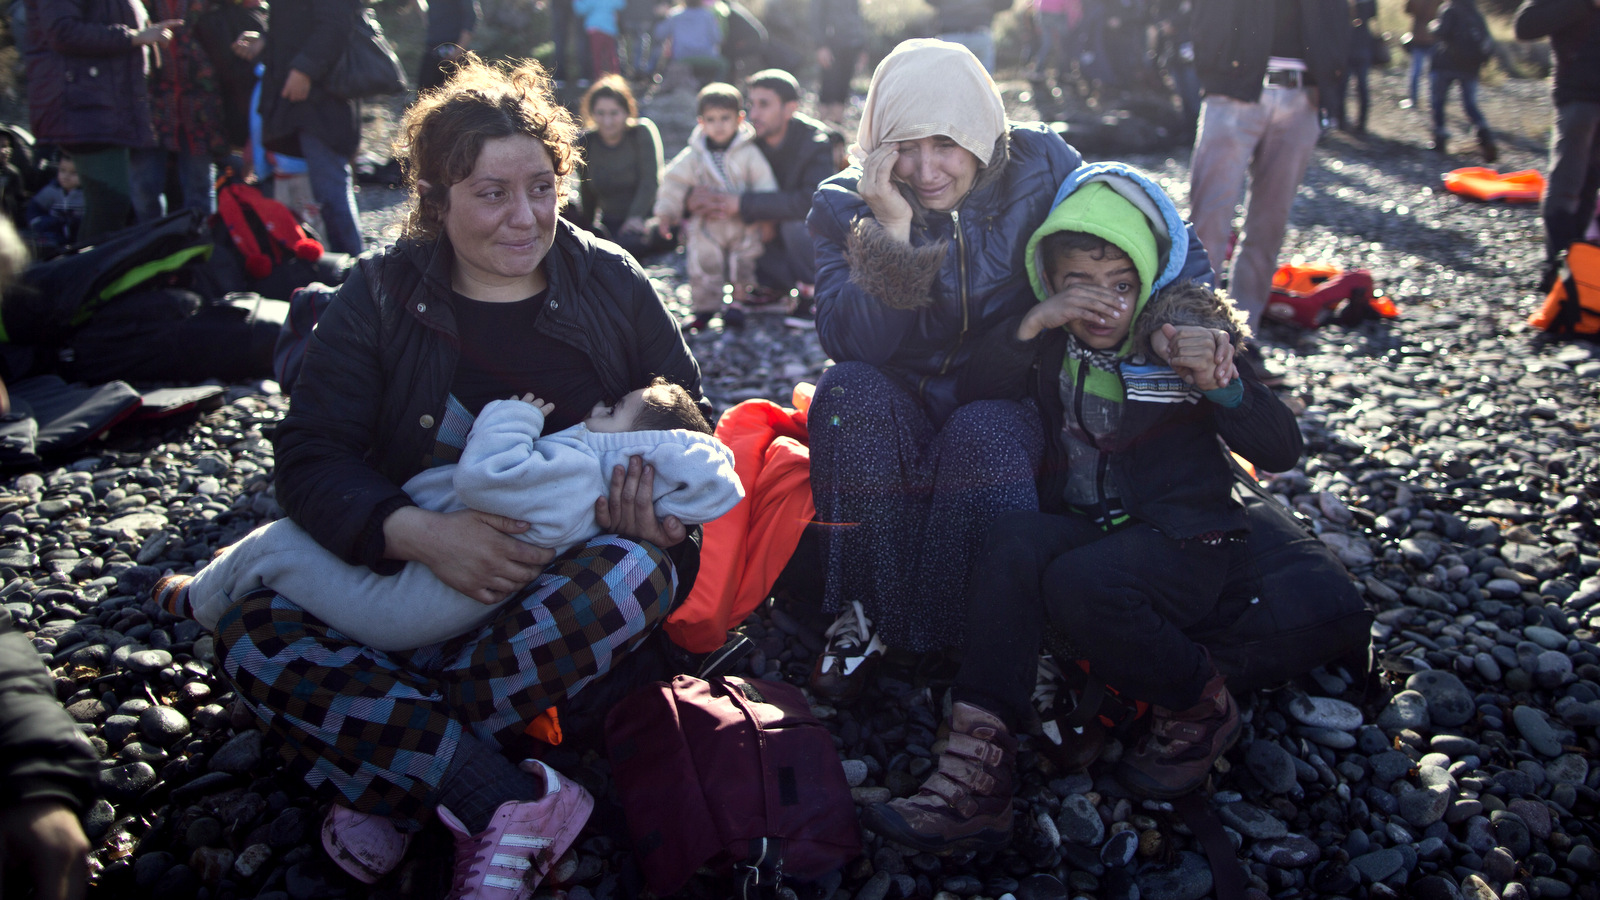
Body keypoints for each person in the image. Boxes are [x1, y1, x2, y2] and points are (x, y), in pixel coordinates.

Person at [201, 56, 705, 896]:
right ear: (436, 199)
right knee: (250, 630)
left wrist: (666, 517)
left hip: (554, 590)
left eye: (542, 187)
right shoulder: (375, 296)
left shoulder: (609, 281)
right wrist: (419, 533)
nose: (525, 217)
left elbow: (696, 421)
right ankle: (490, 788)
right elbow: (309, 455)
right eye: (491, 193)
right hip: (397, 586)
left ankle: (389, 769)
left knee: (635, 575)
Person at [864, 162, 1301, 850]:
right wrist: (1034, 324)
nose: (1101, 302)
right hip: (1092, 537)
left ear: (1149, 285)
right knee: (1012, 541)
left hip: (1186, 547)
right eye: (1078, 284)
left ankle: (1200, 701)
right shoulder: (1054, 341)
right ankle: (977, 769)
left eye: (1121, 285)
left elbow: (1280, 449)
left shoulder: (1183, 343)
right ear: (1049, 280)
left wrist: (1224, 385)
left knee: (1079, 580)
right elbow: (981, 386)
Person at [805, 39, 1214, 700]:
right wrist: (894, 230)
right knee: (845, 393)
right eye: (904, 146)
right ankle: (870, 613)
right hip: (897, 388)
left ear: (979, 129)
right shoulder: (841, 204)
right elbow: (855, 341)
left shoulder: (1040, 165)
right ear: (878, 143)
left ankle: (964, 627)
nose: (926, 168)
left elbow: (1151, 228)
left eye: (946, 143)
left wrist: (1190, 320)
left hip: (1007, 384)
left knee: (986, 433)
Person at [165, 380, 739, 652]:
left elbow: (483, 478)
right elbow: (310, 452)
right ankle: (238, 577)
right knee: (290, 563)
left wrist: (511, 417)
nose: (593, 408)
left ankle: (198, 600)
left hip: (404, 604)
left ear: (639, 452)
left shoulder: (580, 469)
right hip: (435, 598)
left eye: (612, 410)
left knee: (280, 543)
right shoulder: (590, 476)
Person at [1187, 0, 1349, 345]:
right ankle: (1197, 332)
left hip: (1304, 92)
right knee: (1208, 222)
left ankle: (1245, 339)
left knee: (1269, 225)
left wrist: (1332, 77)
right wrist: (1213, 68)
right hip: (1234, 88)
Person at [22, 0, 181, 243]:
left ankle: (88, 273)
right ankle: (85, 276)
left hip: (104, 108)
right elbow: (63, 31)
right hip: (83, 107)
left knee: (109, 206)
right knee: (110, 204)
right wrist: (135, 36)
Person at [687, 69, 837, 299]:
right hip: (761, 236)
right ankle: (763, 288)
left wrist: (743, 204)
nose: (753, 114)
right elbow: (700, 167)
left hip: (802, 239)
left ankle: (815, 293)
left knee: (796, 226)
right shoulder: (744, 138)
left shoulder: (815, 142)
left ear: (790, 108)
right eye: (751, 105)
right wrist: (693, 199)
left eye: (764, 105)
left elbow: (812, 201)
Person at [234, 0, 365, 255]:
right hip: (292, 98)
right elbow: (295, 26)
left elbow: (336, 24)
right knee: (303, 191)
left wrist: (305, 70)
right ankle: (327, 266)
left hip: (321, 99)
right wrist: (265, 41)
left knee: (329, 187)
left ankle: (357, 271)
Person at [654, 82, 778, 330]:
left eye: (725, 118)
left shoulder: (749, 153)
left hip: (742, 222)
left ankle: (738, 304)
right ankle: (705, 308)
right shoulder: (694, 155)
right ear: (701, 122)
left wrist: (766, 219)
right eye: (711, 119)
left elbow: (765, 185)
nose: (718, 125)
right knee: (703, 263)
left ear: (740, 119)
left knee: (743, 261)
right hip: (706, 223)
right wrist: (666, 213)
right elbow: (674, 182)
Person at [1514, 0, 1600, 294]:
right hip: (1578, 98)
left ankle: (1572, 269)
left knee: (1587, 184)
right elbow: (1525, 27)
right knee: (1568, 184)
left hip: (1581, 98)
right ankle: (1560, 268)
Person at [131, 0, 229, 221]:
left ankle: (200, 247)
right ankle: (150, 247)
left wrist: (260, 38)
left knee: (200, 186)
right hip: (148, 103)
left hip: (201, 105)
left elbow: (252, 9)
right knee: (144, 187)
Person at [572, 75, 669, 258]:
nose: (607, 121)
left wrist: (635, 217)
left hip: (644, 218)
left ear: (626, 112)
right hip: (611, 220)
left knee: (630, 245)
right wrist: (585, 227)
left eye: (613, 113)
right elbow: (587, 190)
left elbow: (650, 180)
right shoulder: (586, 142)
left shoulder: (641, 133)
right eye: (600, 113)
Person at [1428, 0, 1498, 160]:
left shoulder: (1448, 9)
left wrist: (1433, 26)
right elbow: (1487, 41)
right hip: (1470, 68)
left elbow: (1441, 32)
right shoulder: (1475, 13)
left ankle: (1440, 138)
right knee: (1470, 105)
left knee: (1438, 102)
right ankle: (1485, 136)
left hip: (1445, 64)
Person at [813, 0, 868, 124]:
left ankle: (837, 124)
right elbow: (815, 18)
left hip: (852, 44)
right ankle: (822, 125)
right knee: (828, 82)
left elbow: (857, 19)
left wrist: (862, 48)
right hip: (831, 43)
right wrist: (820, 45)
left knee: (844, 83)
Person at [652, 0, 725, 83]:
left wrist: (661, 17)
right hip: (706, 56)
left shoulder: (675, 15)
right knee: (724, 65)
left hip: (682, 57)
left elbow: (659, 34)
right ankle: (719, 86)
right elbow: (717, 38)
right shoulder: (708, 15)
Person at [24, 154, 84, 254]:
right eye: (62, 171)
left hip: (81, 239)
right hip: (54, 237)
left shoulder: (87, 195)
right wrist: (41, 223)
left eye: (74, 173)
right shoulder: (51, 190)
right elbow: (34, 210)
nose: (66, 176)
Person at [925, 0, 1006, 72]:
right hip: (979, 37)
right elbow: (1005, 3)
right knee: (983, 84)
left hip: (950, 37)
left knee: (946, 80)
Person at [418, 0, 480, 94]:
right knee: (424, 95)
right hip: (432, 49)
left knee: (457, 97)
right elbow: (427, 11)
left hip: (454, 51)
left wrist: (459, 50)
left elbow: (471, 17)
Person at [1343, 0, 1378, 135]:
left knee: (1343, 85)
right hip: (1363, 47)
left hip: (1349, 46)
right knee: (1362, 86)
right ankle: (1361, 122)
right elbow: (1373, 15)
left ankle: (1341, 120)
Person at [1403, 0, 1443, 109]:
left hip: (1418, 36)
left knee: (1416, 70)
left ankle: (1413, 99)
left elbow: (1407, 10)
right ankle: (1433, 101)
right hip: (1433, 37)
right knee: (1433, 72)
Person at [575, 0, 624, 77]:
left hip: (595, 29)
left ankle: (598, 78)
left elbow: (580, 9)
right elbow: (620, 4)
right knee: (611, 56)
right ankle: (615, 76)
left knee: (596, 56)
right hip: (609, 29)